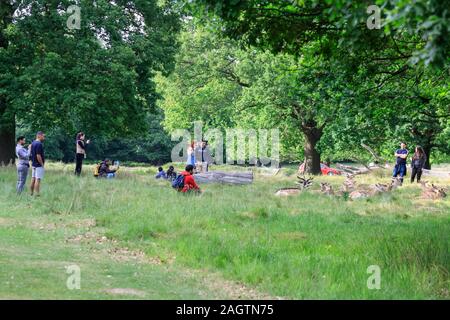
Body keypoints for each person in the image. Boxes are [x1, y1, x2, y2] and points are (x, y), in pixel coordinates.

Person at [30, 131, 46, 196]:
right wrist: (42, 164)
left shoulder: (33, 143)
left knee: (33, 178)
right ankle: (37, 194)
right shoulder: (39, 144)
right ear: (39, 136)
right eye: (43, 136)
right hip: (38, 165)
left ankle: (31, 193)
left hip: (34, 164)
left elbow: (31, 154)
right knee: (38, 179)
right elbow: (38, 155)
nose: (44, 137)